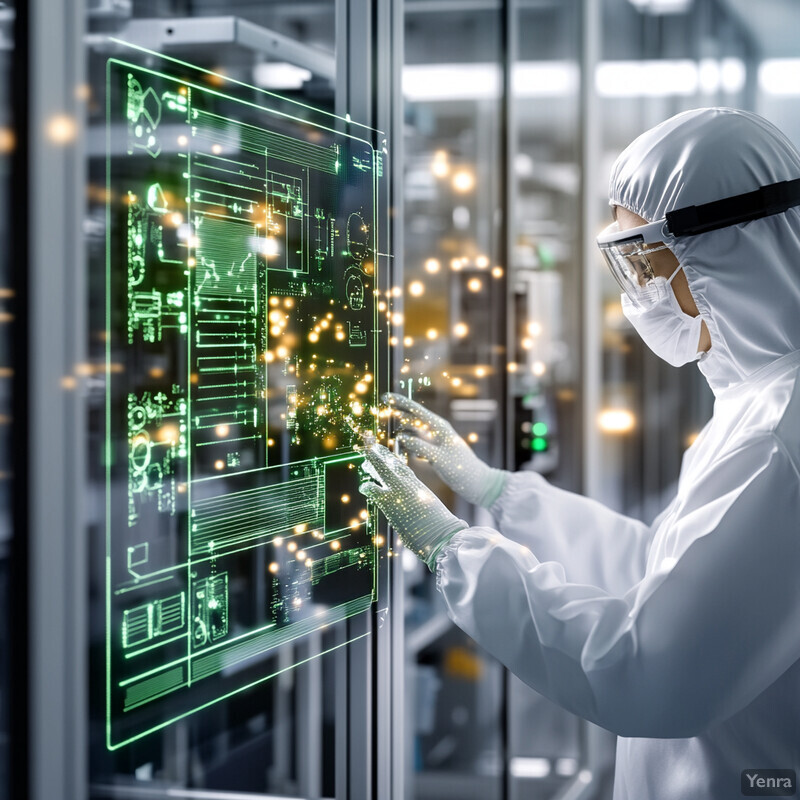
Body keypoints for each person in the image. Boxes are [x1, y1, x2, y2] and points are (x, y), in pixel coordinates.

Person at [359, 108, 800, 800]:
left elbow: (647, 669)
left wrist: (453, 551)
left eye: (644, 260)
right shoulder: (757, 402)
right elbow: (664, 575)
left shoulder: (780, 440)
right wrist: (500, 493)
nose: (639, 290)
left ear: (723, 252)